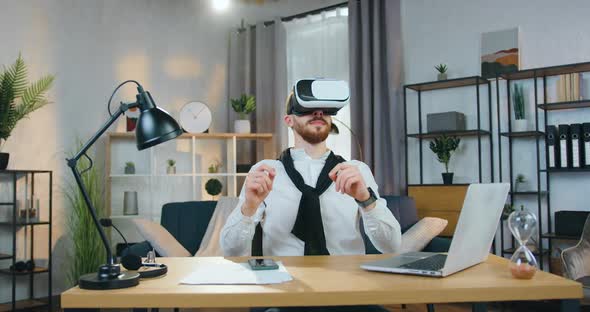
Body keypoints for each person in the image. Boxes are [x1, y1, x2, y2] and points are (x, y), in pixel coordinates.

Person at [220, 89, 401, 258]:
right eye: (306, 107)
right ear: (289, 120)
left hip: (345, 282)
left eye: (324, 109)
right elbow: (231, 250)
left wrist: (365, 198)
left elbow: (391, 246)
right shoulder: (265, 172)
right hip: (281, 281)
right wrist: (249, 208)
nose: (318, 113)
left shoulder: (355, 171)